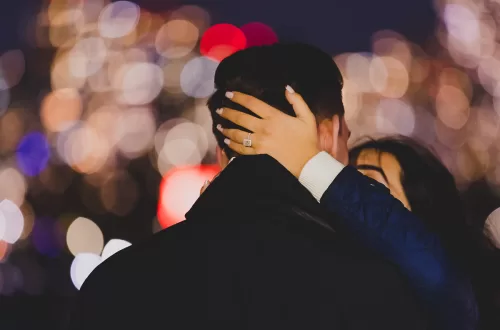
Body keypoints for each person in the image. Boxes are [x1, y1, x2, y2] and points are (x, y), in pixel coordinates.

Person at [68, 43, 430, 330]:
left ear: (220, 150)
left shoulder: (115, 284)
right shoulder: (369, 288)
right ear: (329, 134)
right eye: (345, 140)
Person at [214, 43, 477, 330]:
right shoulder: (355, 291)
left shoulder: (177, 262)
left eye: (376, 191)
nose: (341, 188)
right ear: (331, 132)